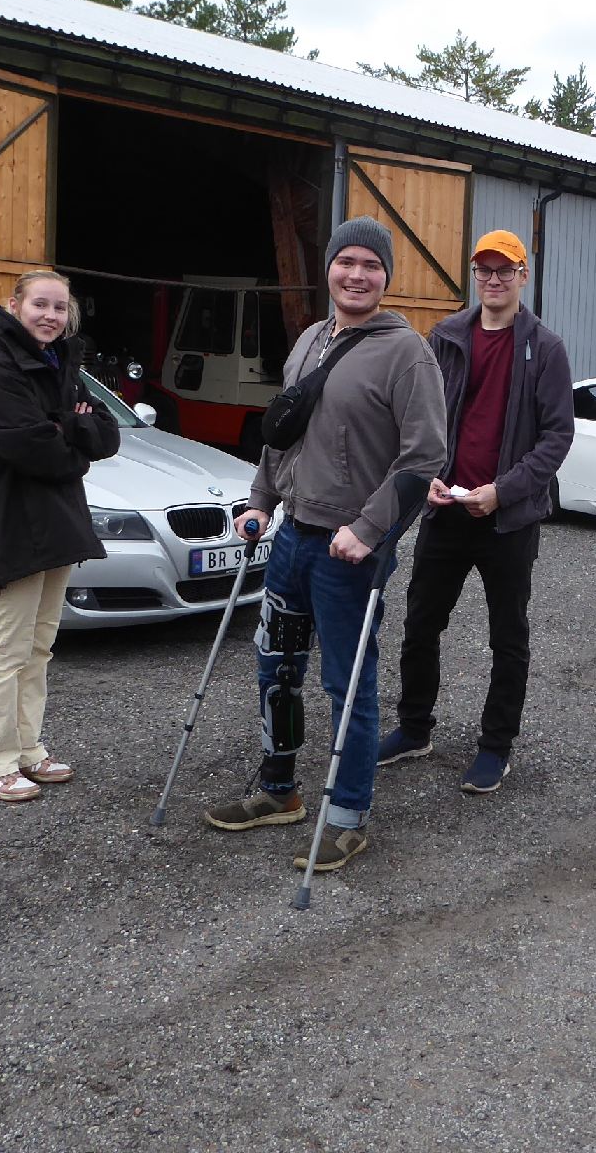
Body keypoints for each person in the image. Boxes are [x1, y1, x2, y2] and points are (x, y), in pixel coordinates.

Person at [204, 218, 447, 872]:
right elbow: (282, 431)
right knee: (276, 669)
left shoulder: (407, 354)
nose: (357, 275)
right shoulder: (311, 339)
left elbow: (423, 459)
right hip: (292, 539)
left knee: (348, 685)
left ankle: (347, 817)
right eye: (347, 262)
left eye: (371, 265)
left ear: (386, 277)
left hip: (350, 554)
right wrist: (260, 500)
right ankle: (278, 789)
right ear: (330, 268)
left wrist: (367, 530)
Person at [378, 230, 575, 794]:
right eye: (484, 270)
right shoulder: (446, 337)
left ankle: (495, 747)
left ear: (523, 276)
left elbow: (557, 436)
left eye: (504, 270)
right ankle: (414, 728)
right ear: (475, 276)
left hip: (507, 521)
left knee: (507, 637)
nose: (494, 279)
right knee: (421, 624)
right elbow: (421, 417)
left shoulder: (546, 349)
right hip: (445, 510)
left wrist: (503, 491)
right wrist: (428, 477)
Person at [0, 271, 119, 803]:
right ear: (15, 305)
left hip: (53, 521)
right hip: (9, 523)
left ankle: (26, 748)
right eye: (40, 304)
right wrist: (71, 433)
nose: (50, 316)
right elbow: (40, 451)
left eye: (59, 308)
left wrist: (67, 429)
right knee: (7, 647)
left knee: (39, 645)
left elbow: (106, 435)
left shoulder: (59, 363)